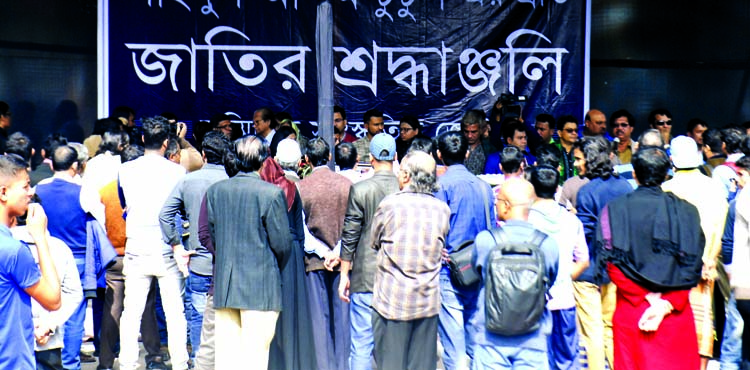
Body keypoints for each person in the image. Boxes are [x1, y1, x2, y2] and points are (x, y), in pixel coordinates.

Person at [596, 147, 703, 370]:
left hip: (633, 310)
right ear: (667, 174)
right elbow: (692, 266)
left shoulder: (614, 210)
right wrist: (665, 304)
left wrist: (645, 298)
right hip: (674, 312)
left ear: (634, 173)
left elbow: (612, 265)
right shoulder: (686, 212)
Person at [205, 135, 291, 370]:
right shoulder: (271, 194)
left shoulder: (216, 191)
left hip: (226, 284)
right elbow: (283, 245)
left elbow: (213, 237)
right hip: (260, 285)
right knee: (255, 357)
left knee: (227, 359)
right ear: (263, 162)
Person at [117, 116, 190, 370]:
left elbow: (124, 204)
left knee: (131, 312)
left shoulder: (124, 170)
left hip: (136, 247)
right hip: (168, 248)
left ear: (144, 139)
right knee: (175, 312)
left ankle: (127, 363)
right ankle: (181, 363)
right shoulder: (178, 172)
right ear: (167, 143)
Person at [370, 150, 450, 370]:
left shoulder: (390, 205)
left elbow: (374, 242)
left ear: (405, 176)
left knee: (390, 364)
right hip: (427, 303)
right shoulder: (442, 209)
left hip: (392, 302)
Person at [470, 178, 559, 369]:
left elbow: (479, 274)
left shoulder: (486, 241)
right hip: (533, 339)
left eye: (498, 200)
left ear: (507, 206)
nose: (496, 204)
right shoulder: (546, 244)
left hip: (490, 339)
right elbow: (550, 279)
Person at [159, 131, 232, 364]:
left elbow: (164, 215)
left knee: (200, 320)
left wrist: (176, 245)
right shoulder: (233, 182)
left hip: (199, 263)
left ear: (203, 155)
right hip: (230, 266)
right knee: (230, 322)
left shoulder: (188, 180)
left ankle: (201, 362)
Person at [662, 136, 729, 369]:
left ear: (672, 160)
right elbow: (721, 229)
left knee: (675, 323)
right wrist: (710, 260)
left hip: (674, 272)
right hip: (706, 268)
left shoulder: (666, 189)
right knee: (703, 325)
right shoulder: (714, 188)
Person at [338, 133, 400, 370]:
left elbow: (350, 234)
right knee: (394, 344)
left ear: (369, 158)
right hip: (398, 275)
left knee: (361, 344)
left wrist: (344, 274)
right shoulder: (404, 189)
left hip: (365, 275)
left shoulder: (361, 189)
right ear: (395, 157)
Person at [435, 131, 495, 370]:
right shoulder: (484, 186)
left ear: (439, 155)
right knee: (476, 338)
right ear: (467, 153)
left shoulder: (440, 187)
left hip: (450, 268)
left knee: (453, 340)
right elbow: (492, 230)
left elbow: (435, 229)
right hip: (478, 267)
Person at [575, 135, 634, 370]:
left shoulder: (587, 192)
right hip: (618, 269)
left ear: (590, 160)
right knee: (611, 328)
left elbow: (585, 233)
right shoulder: (625, 186)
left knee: (592, 332)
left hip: (590, 271)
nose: (577, 164)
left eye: (579, 159)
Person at [0, 154, 61, 369]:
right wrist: (40, 237)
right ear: (4, 192)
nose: (31, 192)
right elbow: (53, 300)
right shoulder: (13, 250)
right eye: (25, 186)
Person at [33, 145, 90, 370]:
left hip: (44, 251)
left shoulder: (39, 188)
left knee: (43, 306)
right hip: (76, 255)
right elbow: (100, 222)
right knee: (74, 310)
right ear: (75, 166)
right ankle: (70, 363)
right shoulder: (82, 190)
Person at [298, 138, 353, 370]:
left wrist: (323, 253)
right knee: (343, 321)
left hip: (314, 261)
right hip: (343, 261)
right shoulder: (347, 184)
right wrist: (337, 251)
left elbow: (302, 230)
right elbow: (353, 224)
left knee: (319, 323)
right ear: (329, 156)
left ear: (307, 160)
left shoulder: (301, 187)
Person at [12, 195, 83, 370]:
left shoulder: (6, 247)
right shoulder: (59, 248)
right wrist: (48, 325)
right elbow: (73, 294)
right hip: (48, 340)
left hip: (11, 340)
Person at [259, 156, 317, 370]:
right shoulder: (292, 188)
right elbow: (299, 230)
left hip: (270, 251)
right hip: (292, 253)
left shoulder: (263, 190)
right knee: (293, 314)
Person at [528, 166, 588, 370]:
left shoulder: (526, 220)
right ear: (557, 189)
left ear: (532, 188)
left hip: (533, 303)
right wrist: (563, 277)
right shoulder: (572, 220)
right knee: (568, 360)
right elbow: (583, 260)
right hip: (564, 300)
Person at [461, 110, 492, 175]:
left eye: (473, 132)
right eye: (466, 131)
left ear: (481, 130)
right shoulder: (457, 147)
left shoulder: (488, 148)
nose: (469, 136)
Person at [554, 115, 580, 184]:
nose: (574, 133)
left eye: (576, 130)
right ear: (559, 133)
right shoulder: (551, 150)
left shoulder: (581, 150)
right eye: (570, 130)